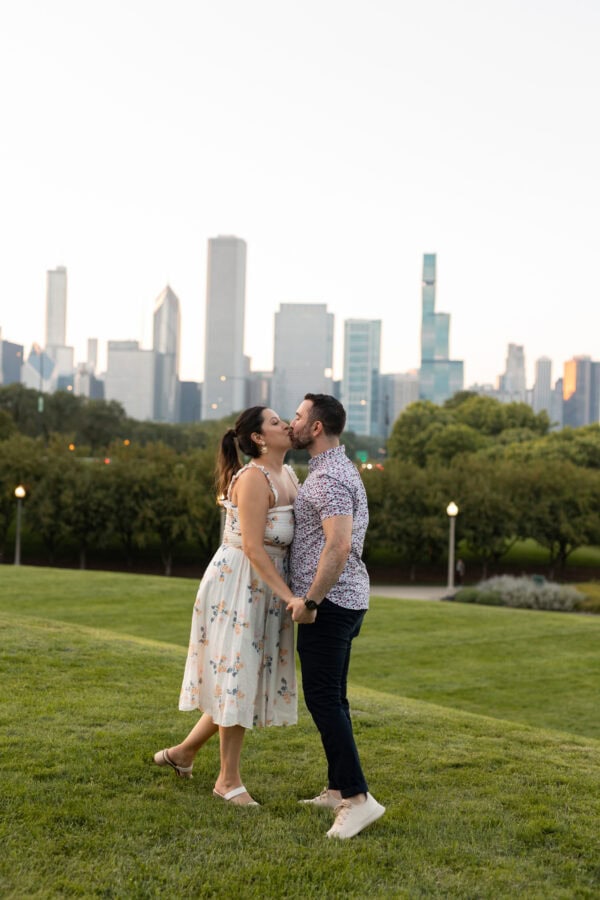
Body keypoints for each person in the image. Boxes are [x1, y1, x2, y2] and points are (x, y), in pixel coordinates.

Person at [154, 406, 303, 806]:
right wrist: (290, 596)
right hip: (238, 585)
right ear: (258, 438)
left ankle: (182, 754)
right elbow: (254, 548)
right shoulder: (253, 479)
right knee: (237, 674)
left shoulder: (288, 474)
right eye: (275, 423)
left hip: (265, 587)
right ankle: (227, 781)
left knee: (241, 677)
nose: (286, 425)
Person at [286, 393, 385, 839]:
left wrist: (310, 602)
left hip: (330, 605)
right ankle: (335, 787)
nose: (293, 422)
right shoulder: (333, 470)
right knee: (335, 698)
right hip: (345, 600)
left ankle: (358, 798)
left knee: (324, 700)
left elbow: (339, 545)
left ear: (318, 427)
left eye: (299, 416)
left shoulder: (329, 478)